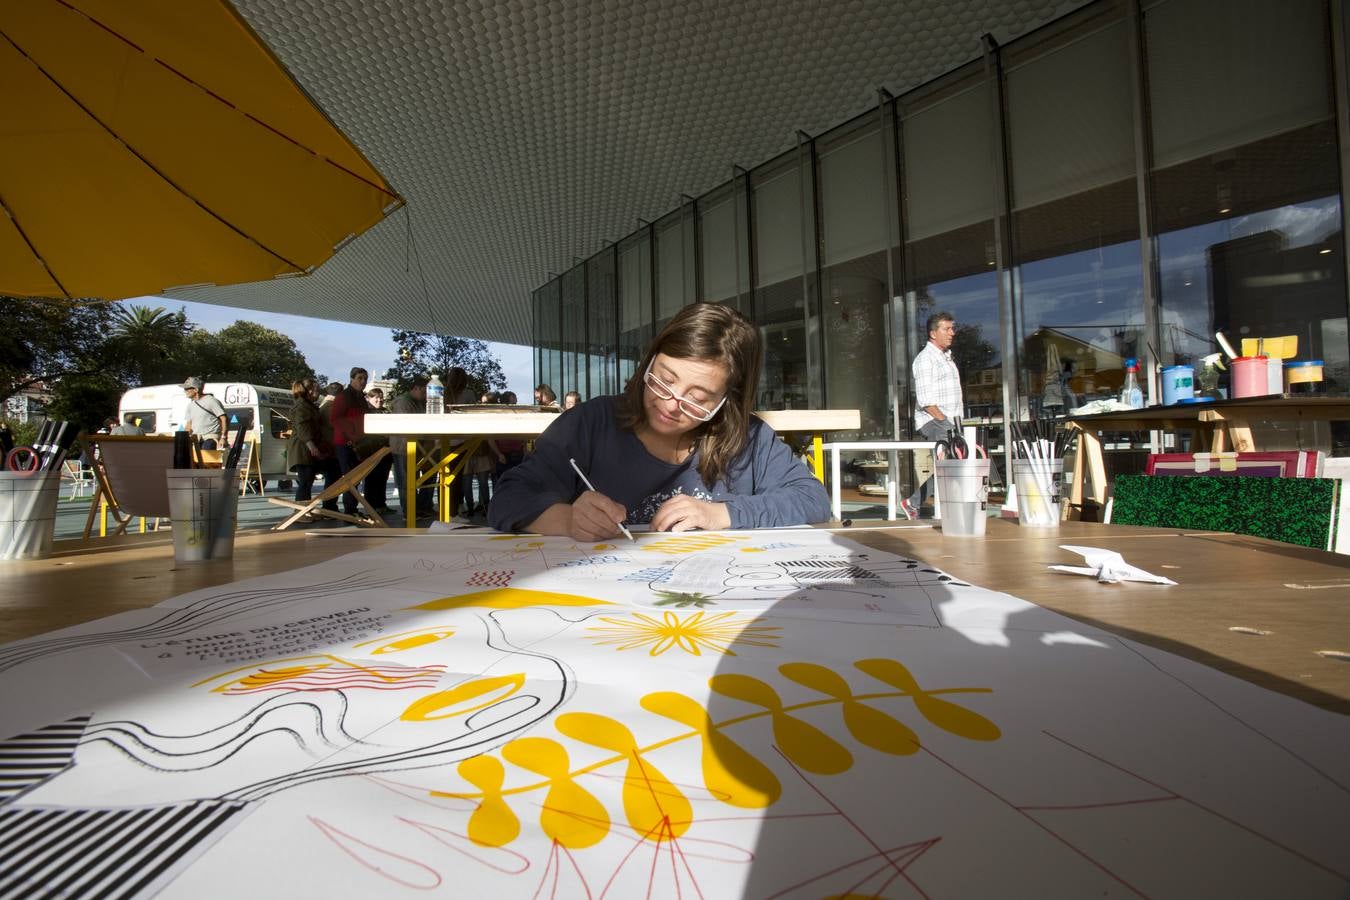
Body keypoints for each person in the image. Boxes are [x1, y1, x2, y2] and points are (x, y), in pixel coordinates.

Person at [490, 304, 831, 539]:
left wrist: (722, 514)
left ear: (728, 400)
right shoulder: (591, 423)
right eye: (664, 380)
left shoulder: (748, 438)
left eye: (698, 399)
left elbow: (813, 499)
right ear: (649, 362)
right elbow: (507, 497)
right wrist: (567, 519)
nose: (670, 405)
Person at [901, 311, 962, 519]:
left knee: (954, 466)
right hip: (935, 421)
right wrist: (945, 423)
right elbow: (926, 401)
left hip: (951, 421)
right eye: (947, 329)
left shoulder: (945, 357)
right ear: (933, 333)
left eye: (952, 328)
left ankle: (913, 502)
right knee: (949, 467)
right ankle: (919, 504)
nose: (952, 333)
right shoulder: (925, 359)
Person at [330, 367, 394, 518]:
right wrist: (351, 435)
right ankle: (349, 510)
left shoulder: (360, 398)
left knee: (357, 478)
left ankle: (352, 509)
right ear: (351, 379)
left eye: (364, 379)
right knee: (350, 478)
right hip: (345, 443)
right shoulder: (343, 397)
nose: (363, 382)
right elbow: (335, 419)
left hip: (359, 442)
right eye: (359, 378)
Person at [287, 378, 341, 515]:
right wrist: (312, 446)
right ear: (310, 390)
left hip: (307, 448)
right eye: (317, 389)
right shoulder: (302, 406)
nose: (318, 392)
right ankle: (300, 512)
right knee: (305, 481)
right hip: (303, 449)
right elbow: (302, 428)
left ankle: (307, 510)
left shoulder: (308, 405)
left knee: (311, 479)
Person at [388, 376, 434, 517]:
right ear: (417, 388)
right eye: (425, 391)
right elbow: (406, 426)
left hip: (417, 446)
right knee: (405, 481)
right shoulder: (403, 402)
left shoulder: (418, 402)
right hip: (403, 447)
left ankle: (419, 507)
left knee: (418, 478)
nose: (427, 395)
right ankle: (409, 511)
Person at [181, 377, 227, 450]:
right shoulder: (190, 405)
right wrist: (183, 440)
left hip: (211, 439)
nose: (185, 391)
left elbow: (224, 419)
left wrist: (223, 437)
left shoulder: (211, 401)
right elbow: (189, 425)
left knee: (207, 459)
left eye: (187, 389)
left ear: (196, 389)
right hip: (196, 440)